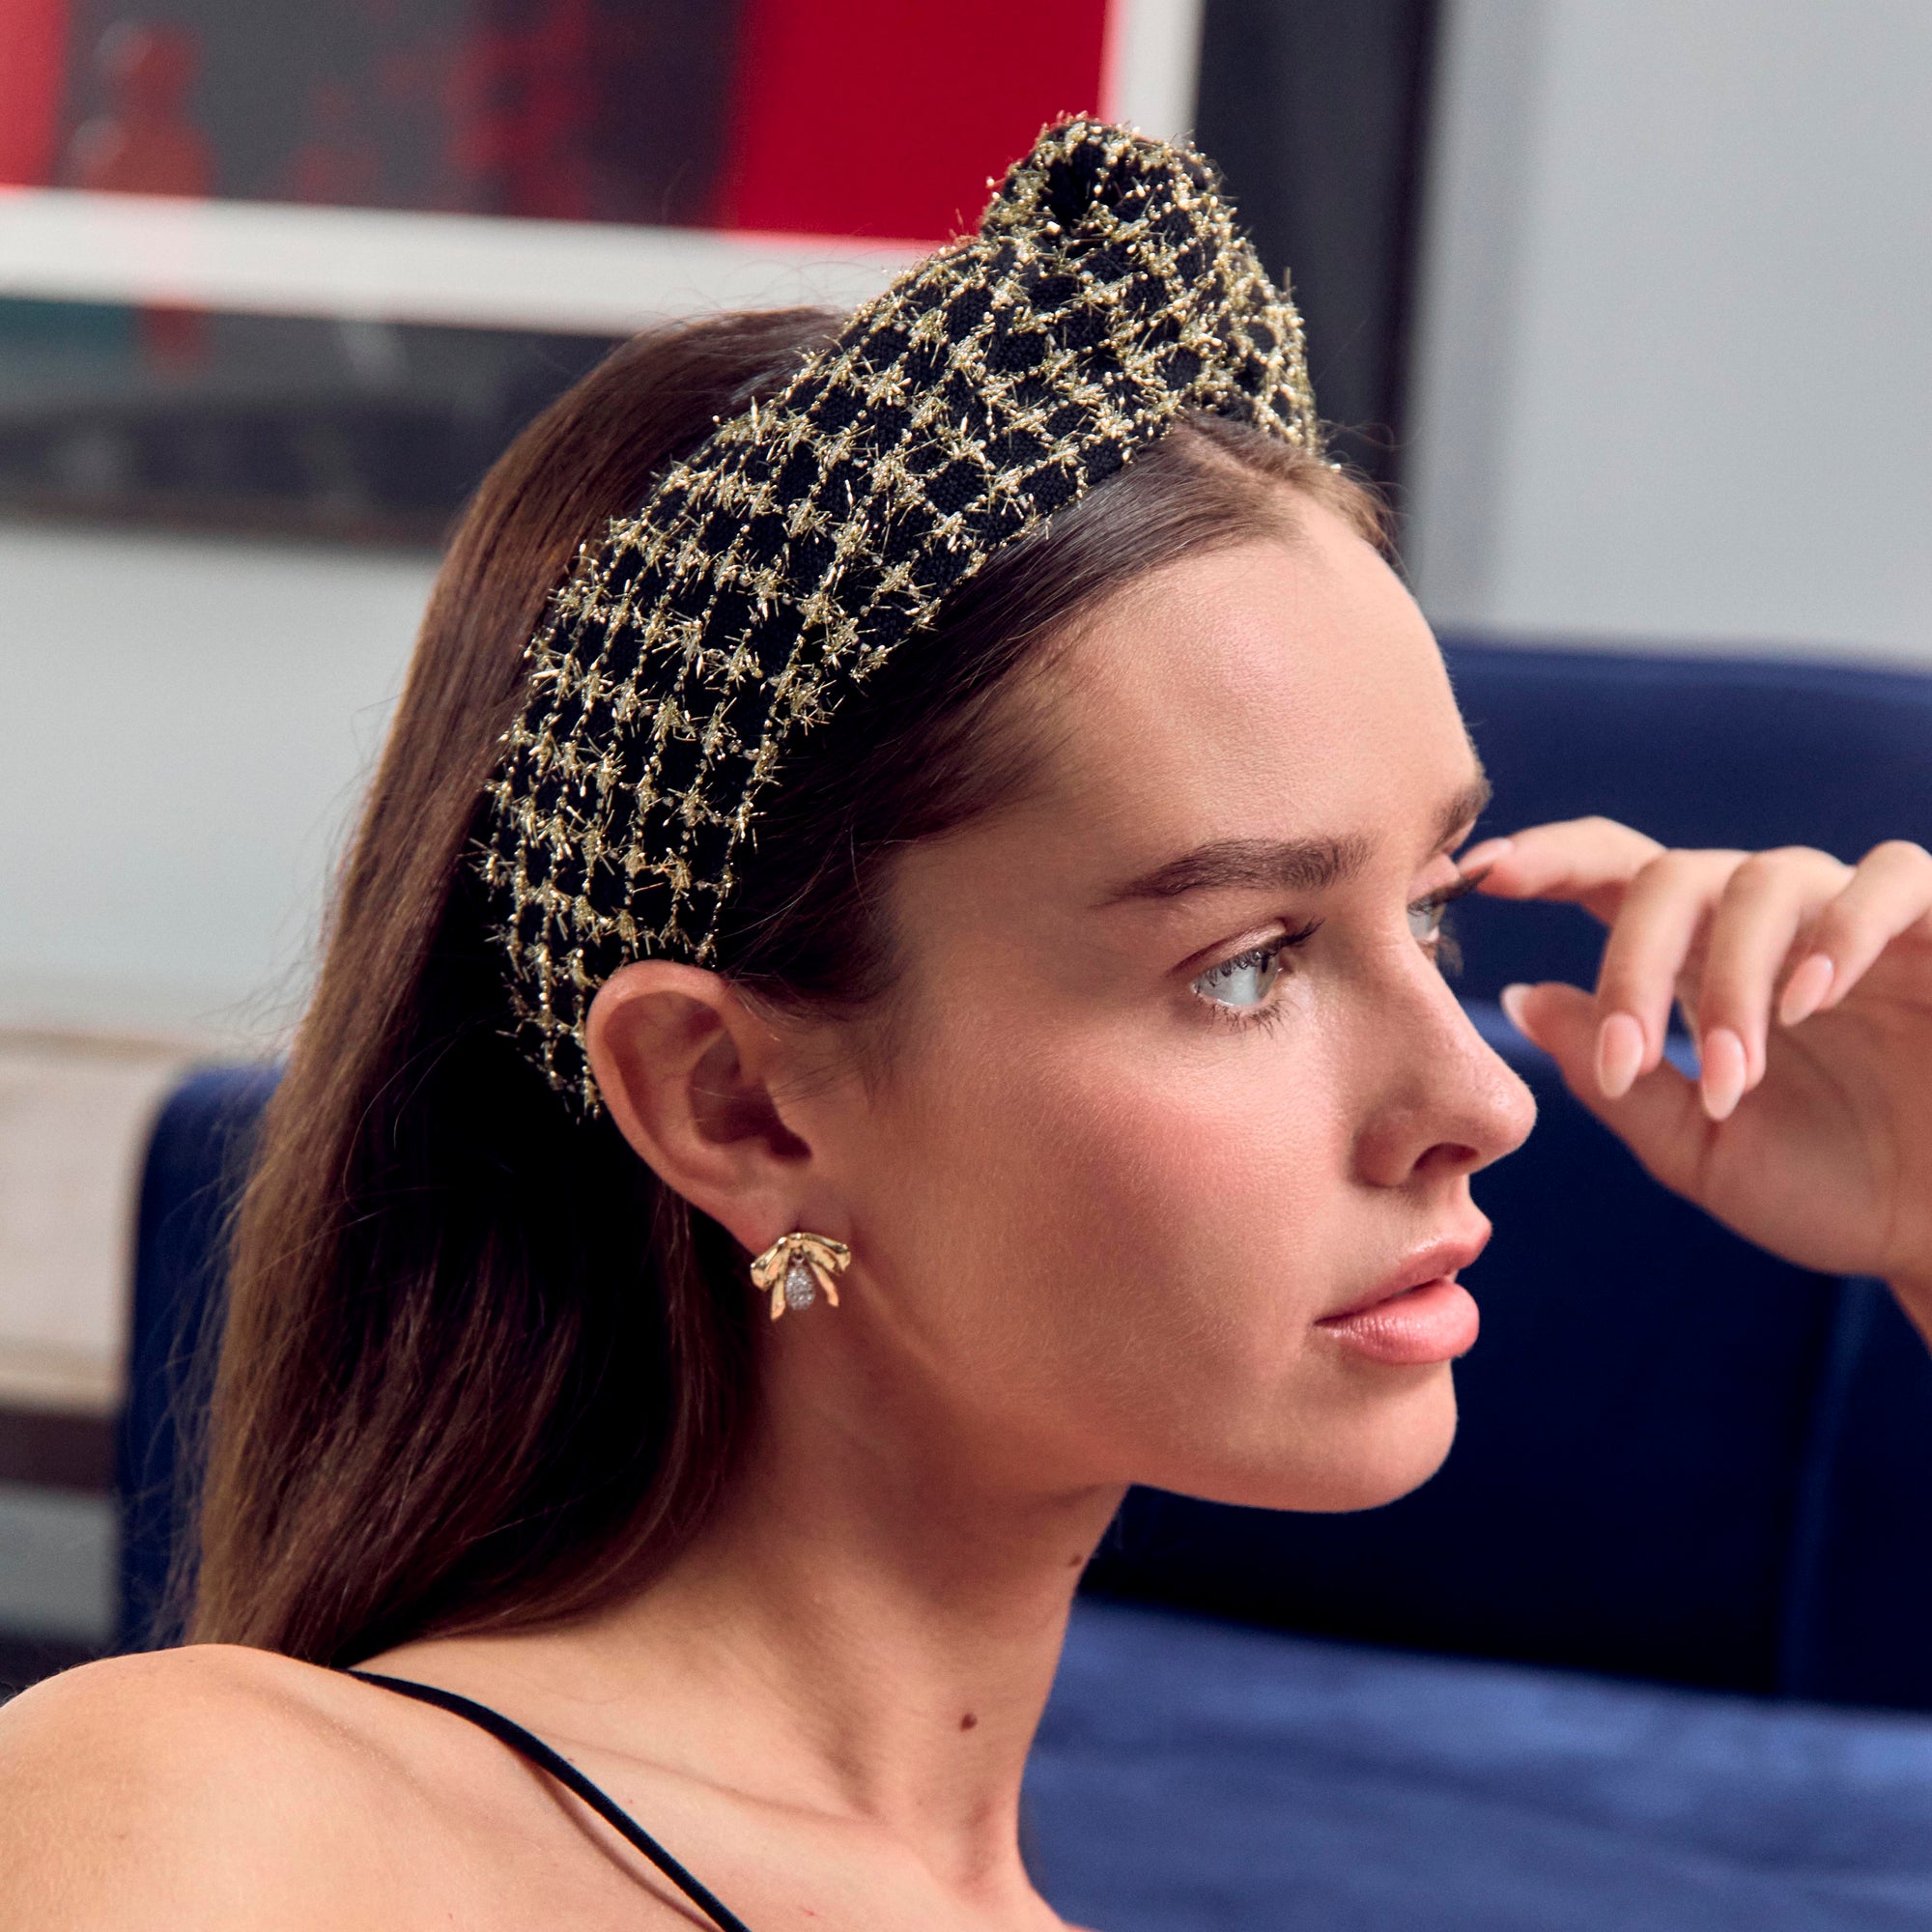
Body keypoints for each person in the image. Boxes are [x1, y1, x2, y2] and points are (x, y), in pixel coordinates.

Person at [2, 119, 1928, 1930]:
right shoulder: (219, 1824)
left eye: (1427, 906)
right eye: (1247, 960)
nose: (1473, 1101)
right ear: (738, 1104)